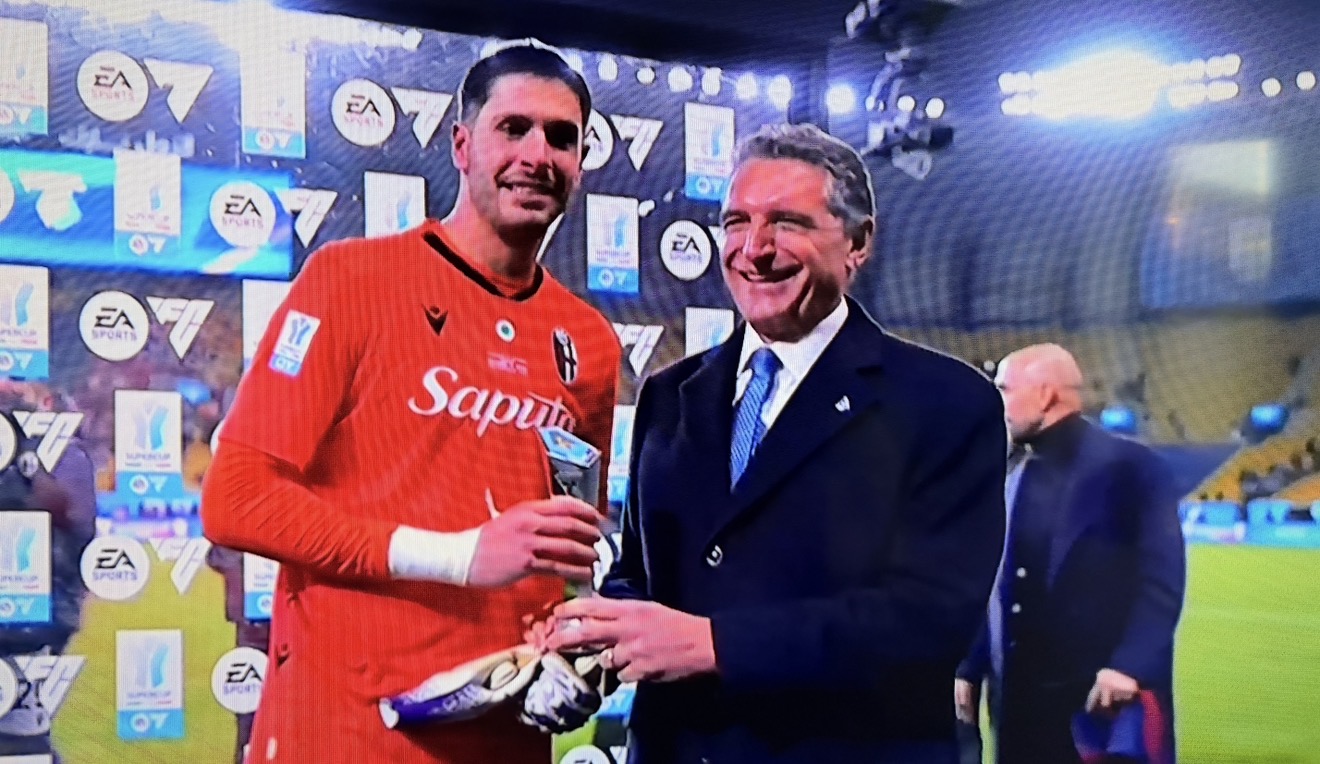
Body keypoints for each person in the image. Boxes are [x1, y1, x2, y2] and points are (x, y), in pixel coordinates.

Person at [200, 42, 620, 764]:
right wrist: (459, 556)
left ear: (580, 162)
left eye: (561, 137)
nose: (537, 154)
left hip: (502, 739)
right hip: (346, 733)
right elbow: (236, 498)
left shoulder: (589, 340)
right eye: (513, 128)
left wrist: (572, 648)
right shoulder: (351, 282)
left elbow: (568, 550)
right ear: (462, 144)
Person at [545, 123, 1009, 764]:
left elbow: (928, 619)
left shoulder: (946, 402)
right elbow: (641, 578)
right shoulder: (669, 395)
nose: (753, 249)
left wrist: (714, 645)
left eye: (786, 223)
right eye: (736, 222)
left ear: (858, 243)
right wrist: (596, 642)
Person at [954, 343, 1186, 764]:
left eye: (1004, 389)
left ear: (1046, 394)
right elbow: (989, 581)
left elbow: (1161, 579)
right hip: (1016, 700)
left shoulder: (1131, 467)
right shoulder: (1008, 468)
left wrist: (1129, 666)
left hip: (1098, 699)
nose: (996, 404)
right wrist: (968, 668)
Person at [0, 403, 97, 764]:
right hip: (39, 606)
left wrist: (26, 466)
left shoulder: (66, 457)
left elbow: (73, 516)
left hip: (42, 610)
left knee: (21, 732)